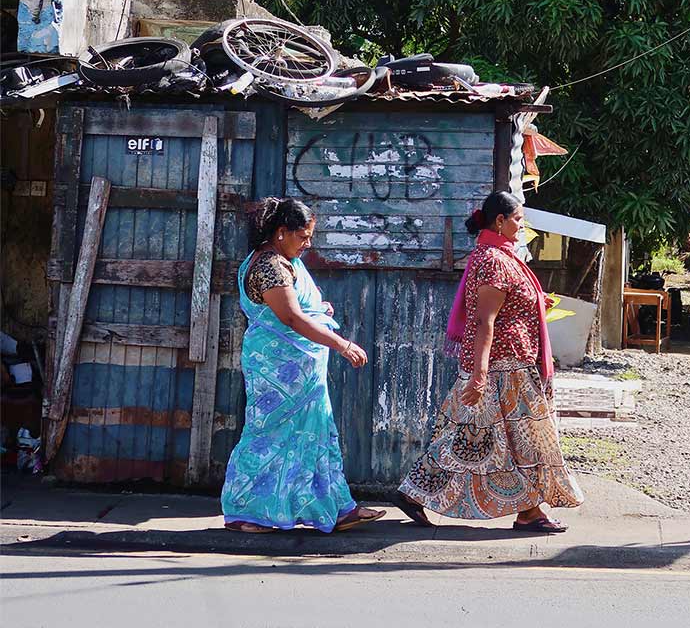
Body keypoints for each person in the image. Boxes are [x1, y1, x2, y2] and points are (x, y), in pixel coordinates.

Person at [395, 191, 583, 532]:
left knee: (502, 438)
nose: (521, 226)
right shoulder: (494, 260)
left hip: (511, 363)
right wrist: (480, 374)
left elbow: (506, 306)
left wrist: (538, 304)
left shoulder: (500, 255)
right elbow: (484, 320)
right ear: (500, 220)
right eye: (517, 220)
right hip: (500, 367)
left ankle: (527, 511)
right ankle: (526, 512)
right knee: (499, 438)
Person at [221, 197, 385, 533]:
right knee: (269, 434)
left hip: (297, 372)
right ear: (281, 232)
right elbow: (291, 317)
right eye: (304, 236)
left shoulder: (280, 261)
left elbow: (295, 307)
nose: (308, 244)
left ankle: (335, 507)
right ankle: (248, 512)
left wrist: (318, 309)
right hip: (279, 370)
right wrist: (342, 344)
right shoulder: (270, 266)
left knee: (314, 434)